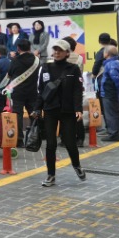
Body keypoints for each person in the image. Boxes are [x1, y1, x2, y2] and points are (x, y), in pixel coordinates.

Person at [36, 39, 86, 187]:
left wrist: (78, 109)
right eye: (55, 50)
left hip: (68, 111)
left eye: (60, 50)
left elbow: (78, 90)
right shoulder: (45, 67)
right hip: (50, 110)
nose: (56, 52)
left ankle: (77, 165)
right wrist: (37, 108)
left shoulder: (73, 69)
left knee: (70, 142)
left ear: (67, 53)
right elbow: (41, 90)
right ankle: (51, 175)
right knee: (50, 143)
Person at [3, 39, 40, 146]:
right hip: (32, 90)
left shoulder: (15, 60)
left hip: (17, 92)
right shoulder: (36, 60)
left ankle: (19, 139)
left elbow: (9, 75)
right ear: (30, 47)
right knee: (34, 113)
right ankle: (37, 136)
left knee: (17, 115)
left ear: (18, 48)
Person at [98, 46, 119, 142]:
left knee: (110, 114)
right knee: (118, 113)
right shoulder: (118, 63)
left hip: (109, 92)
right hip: (115, 92)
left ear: (107, 54)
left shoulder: (110, 64)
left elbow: (116, 79)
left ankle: (113, 134)